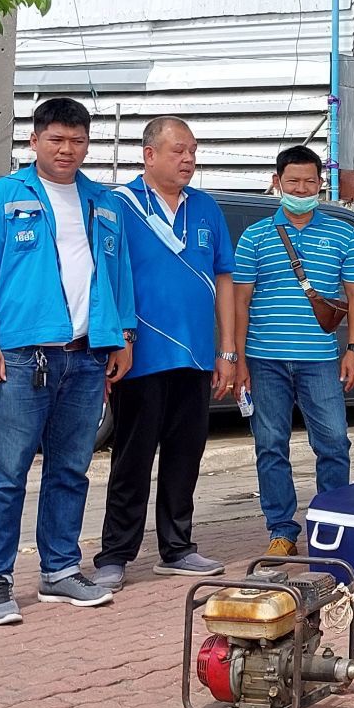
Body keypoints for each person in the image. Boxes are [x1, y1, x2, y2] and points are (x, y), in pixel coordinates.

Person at [0, 97, 136, 625]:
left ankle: (60, 570)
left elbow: (118, 272)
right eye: (56, 139)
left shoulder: (104, 203)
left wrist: (121, 335)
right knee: (6, 473)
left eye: (77, 141)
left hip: (85, 358)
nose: (67, 149)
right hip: (19, 357)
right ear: (34, 141)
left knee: (71, 470)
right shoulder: (1, 198)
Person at [90, 117, 237, 587]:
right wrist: (119, 339)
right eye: (178, 150)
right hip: (140, 357)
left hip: (195, 356)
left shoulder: (207, 209)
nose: (188, 159)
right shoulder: (118, 205)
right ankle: (115, 553)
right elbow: (106, 278)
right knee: (132, 457)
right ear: (149, 154)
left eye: (193, 150)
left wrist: (228, 350)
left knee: (185, 455)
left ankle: (176, 547)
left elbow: (225, 279)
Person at [232, 145, 354, 561]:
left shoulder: (342, 233)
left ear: (320, 184)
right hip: (264, 359)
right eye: (293, 181)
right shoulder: (255, 236)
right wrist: (237, 360)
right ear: (278, 183)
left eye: (310, 181)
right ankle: (282, 529)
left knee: (334, 442)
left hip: (322, 359)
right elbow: (240, 302)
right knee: (270, 445)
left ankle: (332, 522)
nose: (302, 188)